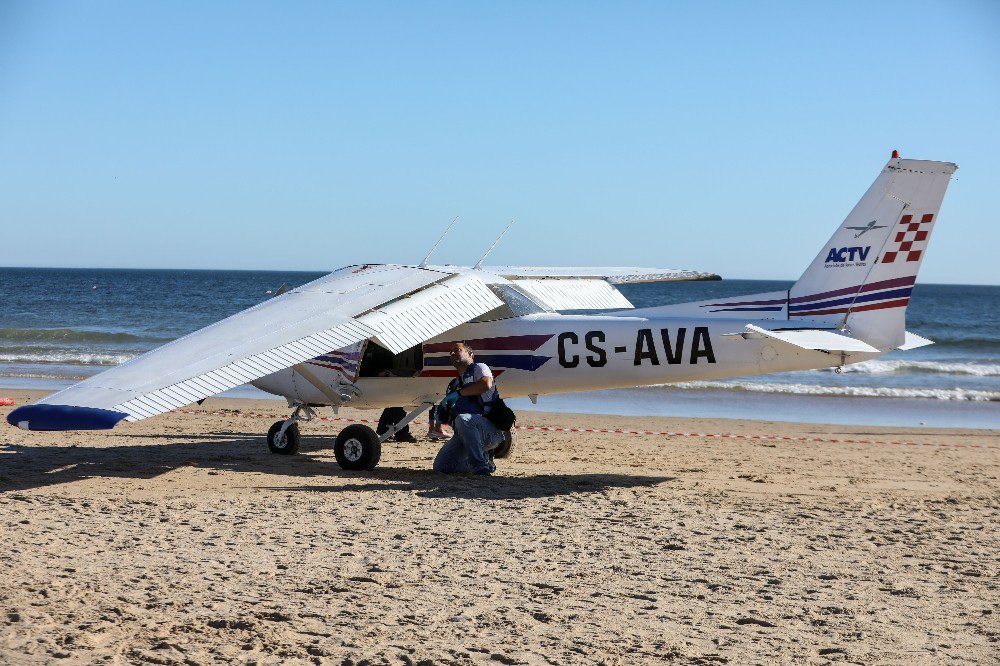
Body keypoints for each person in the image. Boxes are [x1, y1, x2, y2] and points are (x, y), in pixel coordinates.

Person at [432, 342, 506, 475]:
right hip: (465, 433)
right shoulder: (454, 384)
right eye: (451, 353)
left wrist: (459, 394)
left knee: (464, 418)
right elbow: (451, 417)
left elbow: (486, 384)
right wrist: (441, 416)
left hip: (489, 430)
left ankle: (480, 467)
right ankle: (486, 462)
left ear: (470, 354)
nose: (453, 353)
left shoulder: (479, 368)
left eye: (457, 350)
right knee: (442, 467)